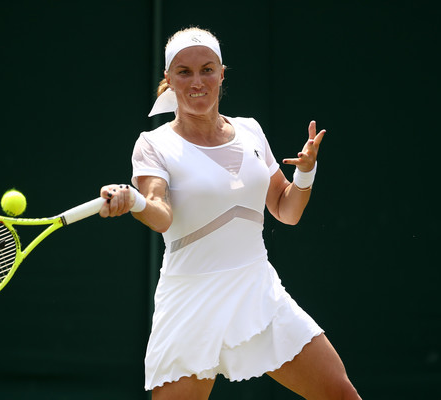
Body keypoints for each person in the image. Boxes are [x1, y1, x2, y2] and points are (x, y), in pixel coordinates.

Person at [99, 27, 361, 400]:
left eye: (207, 69)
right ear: (169, 80)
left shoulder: (251, 131)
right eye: (184, 72)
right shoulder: (154, 145)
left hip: (258, 290)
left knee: (340, 394)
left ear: (222, 73)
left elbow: (286, 210)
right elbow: (161, 215)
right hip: (191, 302)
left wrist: (305, 172)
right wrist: (135, 202)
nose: (197, 82)